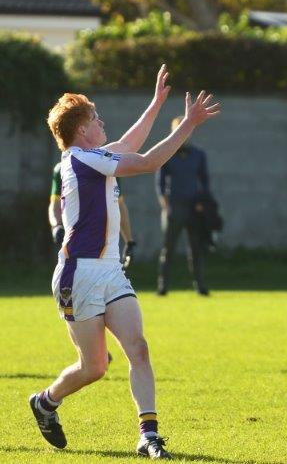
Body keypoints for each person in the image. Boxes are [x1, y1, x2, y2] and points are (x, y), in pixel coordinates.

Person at [29, 65, 220, 459]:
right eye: (96, 119)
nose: (102, 123)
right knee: (95, 367)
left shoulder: (87, 155)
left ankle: (148, 434)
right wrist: (188, 125)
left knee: (139, 348)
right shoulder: (81, 160)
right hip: (78, 274)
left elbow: (129, 142)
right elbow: (147, 161)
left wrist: (155, 104)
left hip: (110, 272)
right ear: (82, 129)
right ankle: (46, 402)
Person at [156, 116, 212, 296]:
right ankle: (163, 286)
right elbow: (160, 183)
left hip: (194, 206)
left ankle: (200, 285)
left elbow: (205, 181)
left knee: (196, 248)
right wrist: (166, 206)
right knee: (169, 248)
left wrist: (203, 203)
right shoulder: (166, 153)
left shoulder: (199, 154)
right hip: (174, 205)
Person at [51, 162, 135, 267]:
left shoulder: (109, 168)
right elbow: (55, 203)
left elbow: (118, 204)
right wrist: (56, 226)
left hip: (104, 244)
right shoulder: (62, 169)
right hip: (75, 242)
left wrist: (129, 241)